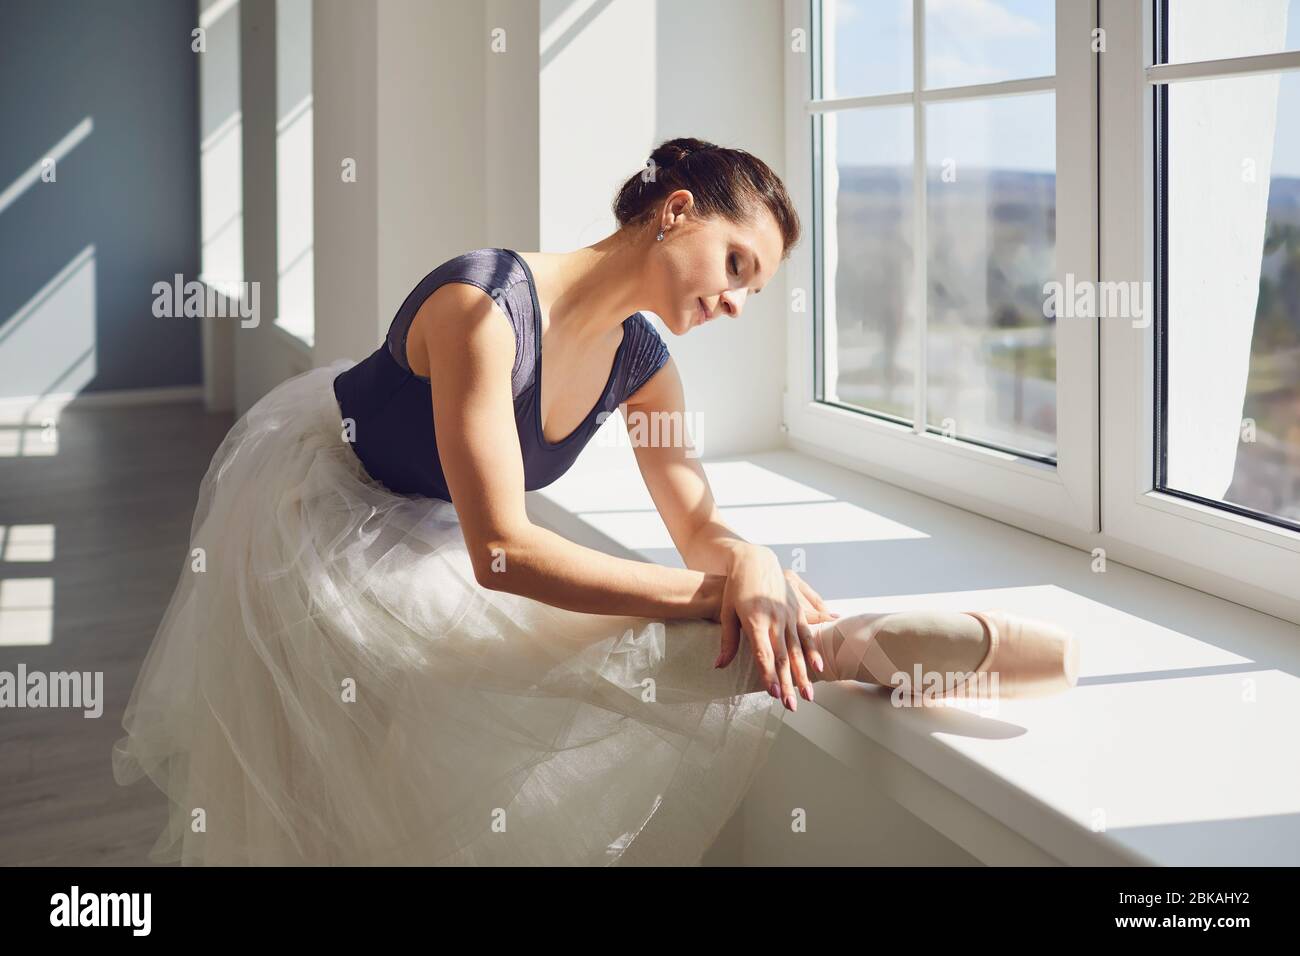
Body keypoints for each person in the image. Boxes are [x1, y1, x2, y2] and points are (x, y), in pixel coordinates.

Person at [112, 136, 1077, 866]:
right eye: (739, 265)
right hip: (325, 510)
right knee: (313, 787)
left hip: (441, 525)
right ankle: (837, 650)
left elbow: (694, 521)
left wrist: (745, 562)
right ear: (679, 212)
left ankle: (837, 649)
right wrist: (713, 595)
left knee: (537, 672)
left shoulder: (643, 362)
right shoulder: (479, 310)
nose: (740, 303)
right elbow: (503, 555)